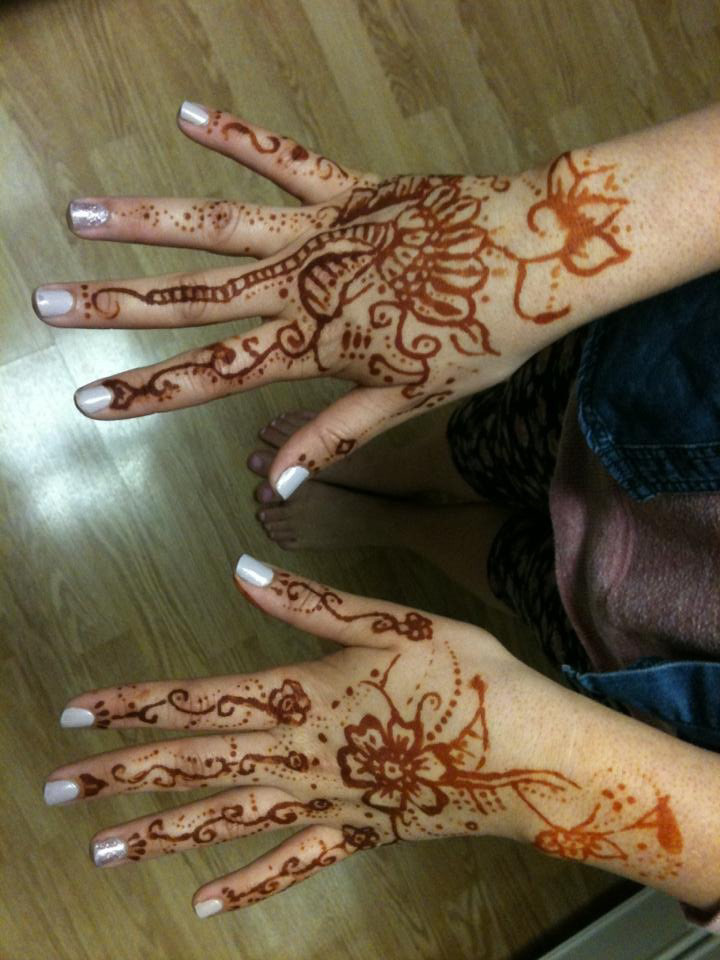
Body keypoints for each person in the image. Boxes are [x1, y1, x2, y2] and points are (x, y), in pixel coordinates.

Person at [35, 101, 720, 926]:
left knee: (553, 583)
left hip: (668, 651)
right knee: (509, 429)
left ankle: (392, 522)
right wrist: (545, 232)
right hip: (672, 395)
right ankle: (393, 469)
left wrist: (537, 777)